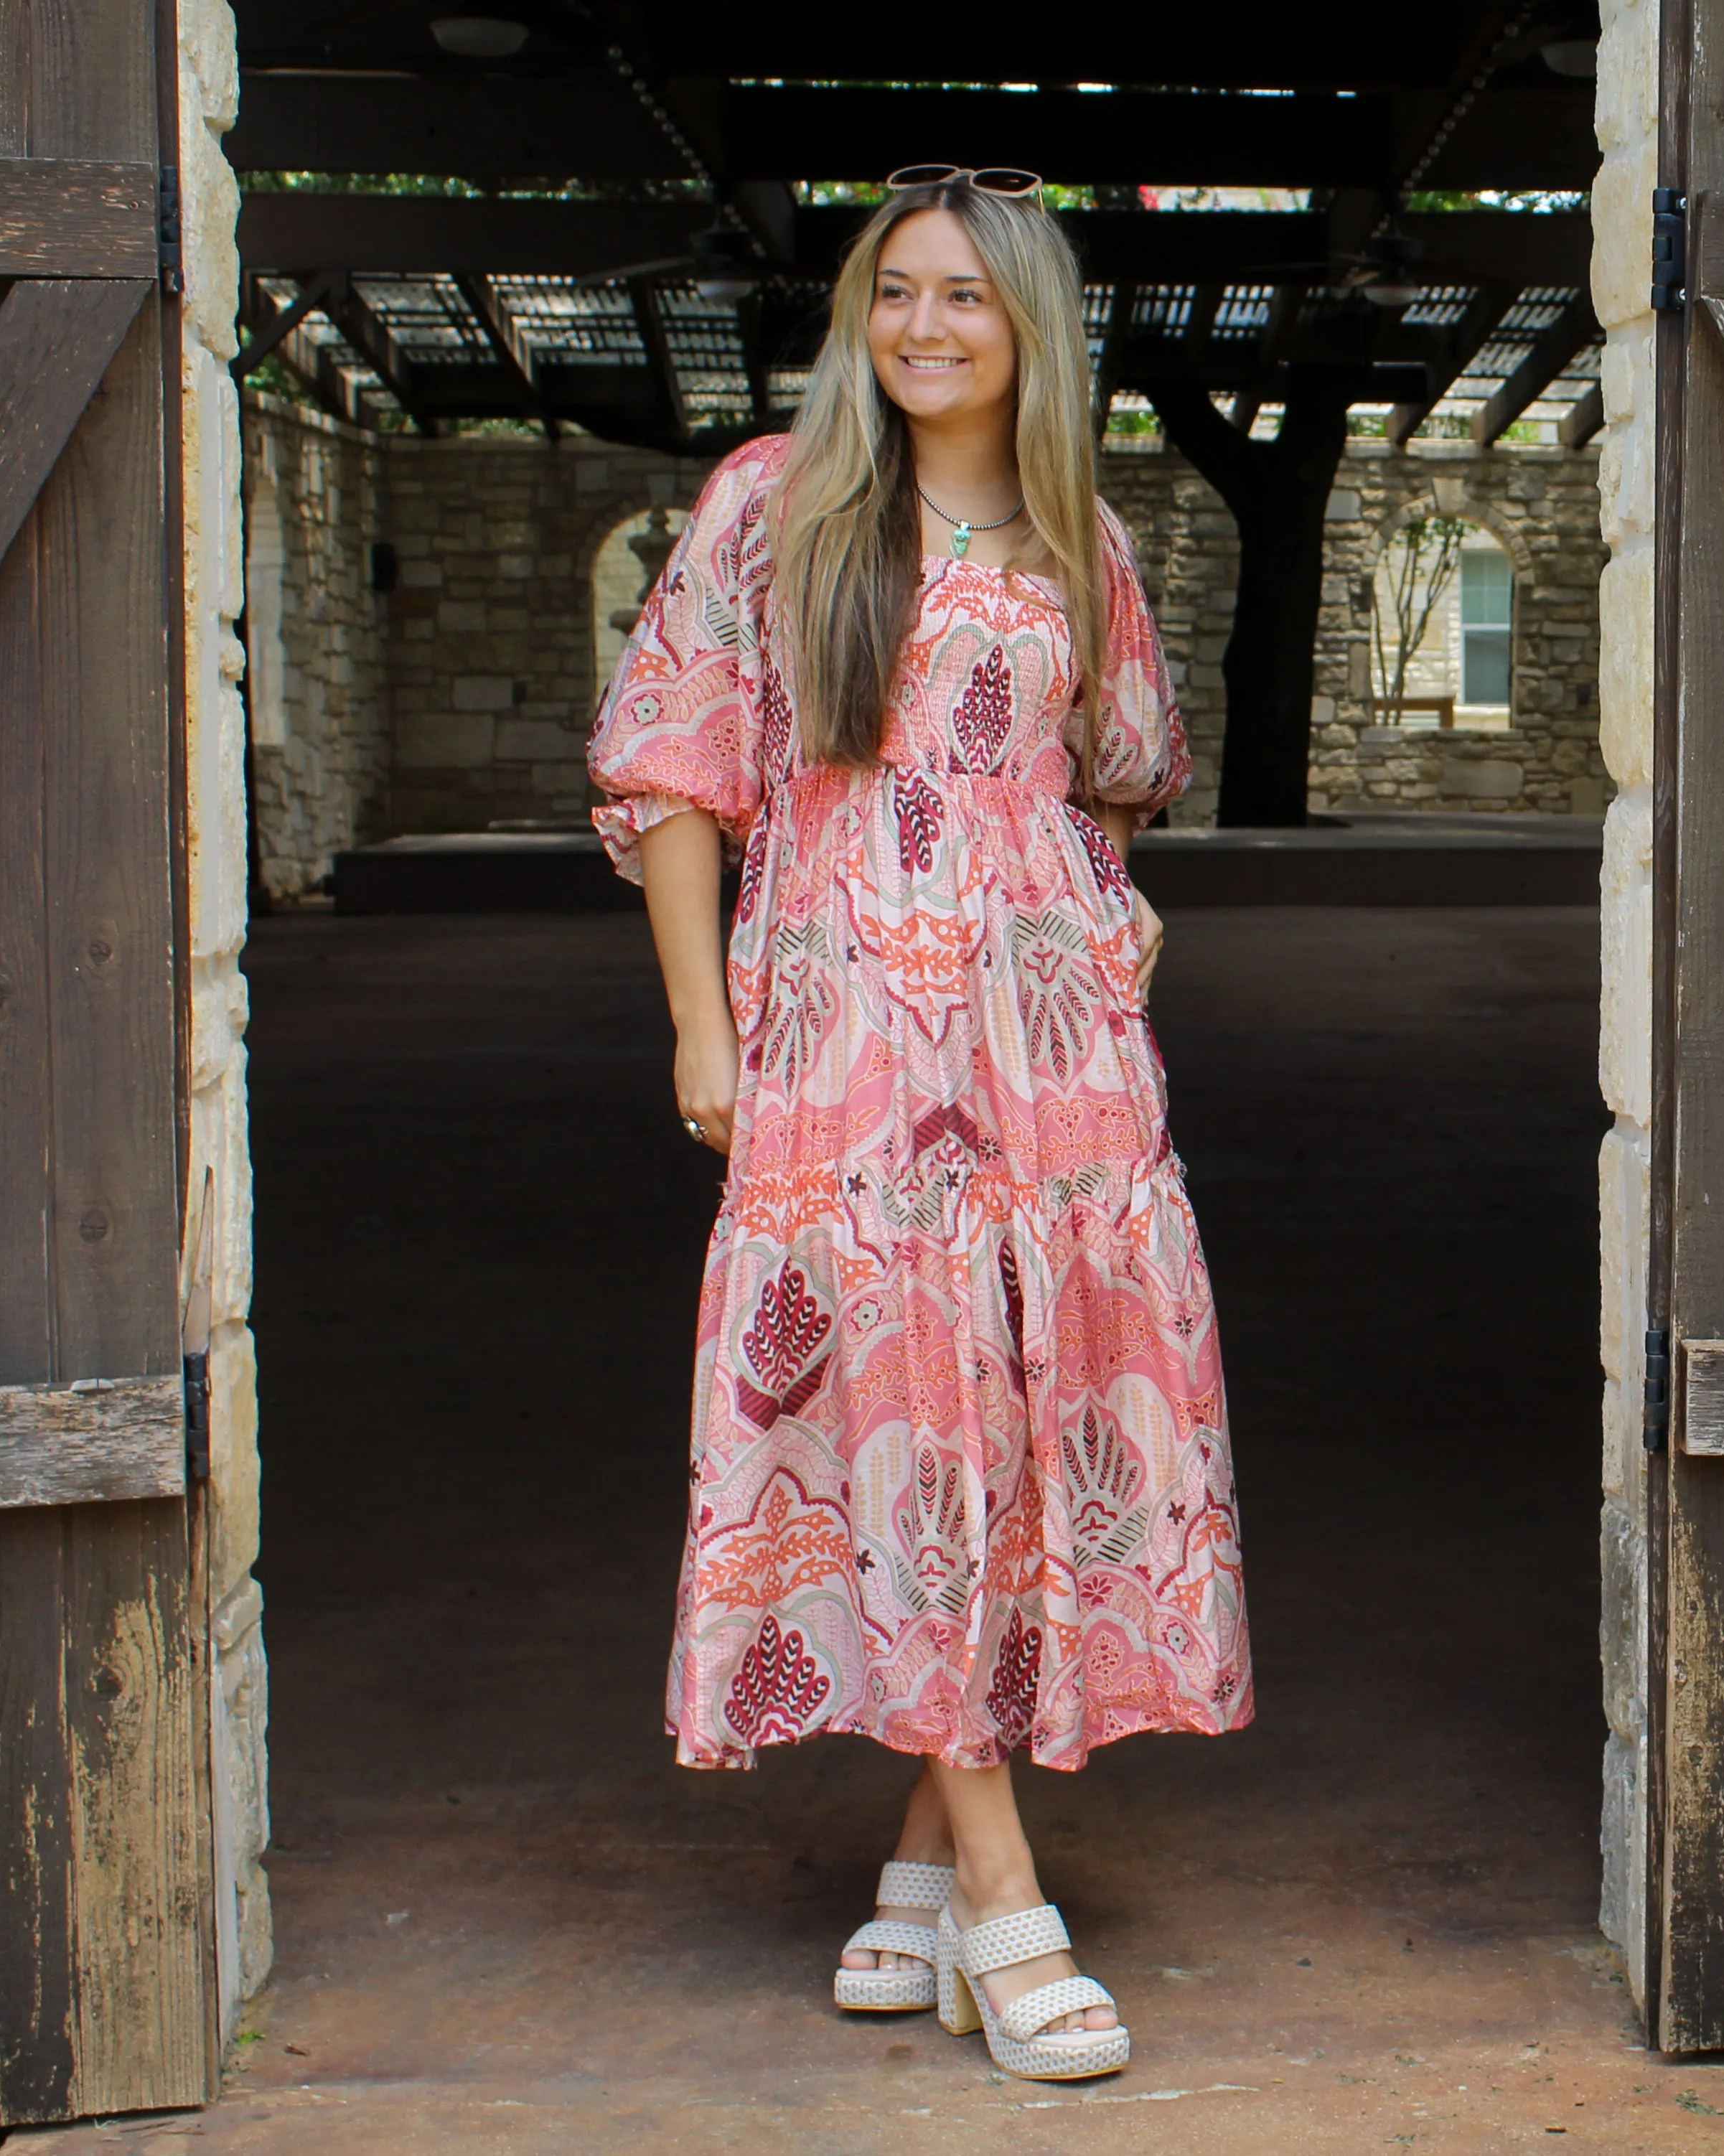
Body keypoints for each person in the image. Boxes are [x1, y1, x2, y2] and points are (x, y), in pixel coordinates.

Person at [587, 166, 1252, 2084]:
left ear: (1027, 322)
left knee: (1018, 1413)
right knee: (900, 1412)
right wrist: (704, 1024)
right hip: (844, 1042)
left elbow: (1120, 771)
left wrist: (1093, 931)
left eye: (963, 295)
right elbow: (670, 780)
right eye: (895, 294)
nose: (923, 326)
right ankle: (1008, 1891)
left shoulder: (1078, 538)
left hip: (1050, 1074)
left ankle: (918, 1860)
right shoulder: (765, 506)